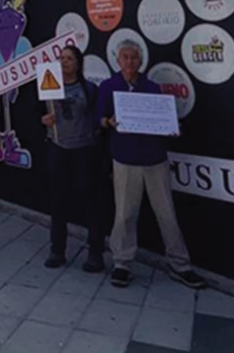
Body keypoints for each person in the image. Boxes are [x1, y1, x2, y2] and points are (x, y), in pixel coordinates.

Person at [97, 40, 206, 289]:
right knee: (124, 214)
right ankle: (122, 263)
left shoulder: (153, 87)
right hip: (125, 158)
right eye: (125, 57)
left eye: (134, 57)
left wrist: (171, 128)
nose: (130, 61)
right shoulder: (108, 86)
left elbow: (162, 120)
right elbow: (99, 119)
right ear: (118, 60)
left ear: (141, 60)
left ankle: (180, 264)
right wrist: (108, 121)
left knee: (167, 213)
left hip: (155, 158)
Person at [40, 46, 107, 272]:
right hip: (59, 148)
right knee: (58, 202)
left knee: (91, 202)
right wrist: (44, 119)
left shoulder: (89, 89)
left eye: (69, 59)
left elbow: (98, 119)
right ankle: (57, 250)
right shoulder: (49, 88)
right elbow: (36, 115)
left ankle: (95, 252)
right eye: (61, 58)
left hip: (84, 151)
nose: (64, 62)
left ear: (78, 63)